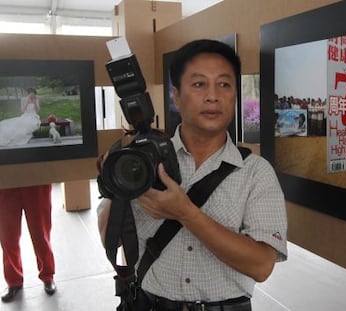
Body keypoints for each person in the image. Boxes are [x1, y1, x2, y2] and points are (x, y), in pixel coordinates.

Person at [98, 39, 288, 310]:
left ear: (235, 95)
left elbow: (261, 266)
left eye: (224, 84)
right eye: (199, 84)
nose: (213, 96)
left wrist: (185, 212)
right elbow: (111, 240)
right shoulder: (141, 163)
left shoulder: (256, 173)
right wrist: (115, 185)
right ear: (176, 96)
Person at [0, 185, 56, 303]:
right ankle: (13, 281)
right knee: (8, 236)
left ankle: (47, 275)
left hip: (36, 179)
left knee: (41, 233)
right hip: (5, 181)